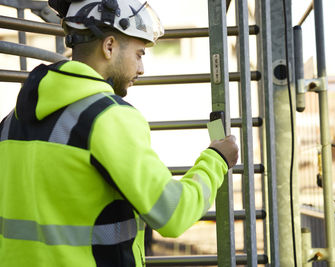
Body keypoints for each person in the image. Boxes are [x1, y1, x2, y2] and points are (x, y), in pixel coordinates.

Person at [0, 0, 239, 266]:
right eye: (139, 54)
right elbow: (173, 213)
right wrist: (217, 159)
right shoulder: (108, 117)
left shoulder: (10, 122)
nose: (141, 69)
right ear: (109, 46)